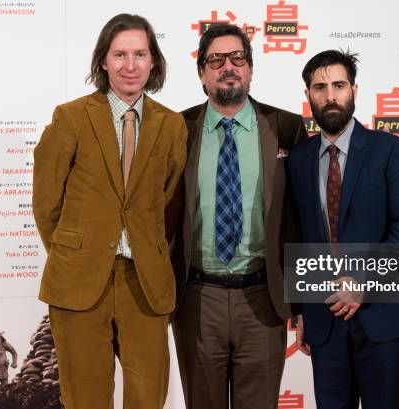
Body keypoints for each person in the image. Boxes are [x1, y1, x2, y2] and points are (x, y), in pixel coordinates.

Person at [33, 13, 186, 409]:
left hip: (144, 282)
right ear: (104, 60)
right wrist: (77, 251)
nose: (130, 65)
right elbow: (46, 203)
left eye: (139, 54)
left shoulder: (171, 126)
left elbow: (167, 199)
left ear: (153, 61)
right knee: (86, 398)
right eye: (120, 54)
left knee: (149, 397)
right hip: (79, 282)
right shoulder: (70, 118)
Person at [170, 24, 308, 409]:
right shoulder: (177, 130)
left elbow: (301, 220)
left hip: (263, 299)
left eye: (237, 58)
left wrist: (302, 301)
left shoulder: (286, 127)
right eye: (216, 59)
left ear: (250, 69)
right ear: (201, 72)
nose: (227, 66)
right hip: (197, 299)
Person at [287, 49, 399, 409]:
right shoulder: (298, 160)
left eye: (338, 85)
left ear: (354, 89)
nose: (330, 96)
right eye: (319, 87)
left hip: (384, 313)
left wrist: (361, 282)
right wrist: (300, 310)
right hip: (326, 315)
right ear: (308, 96)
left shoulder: (391, 151)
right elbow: (298, 238)